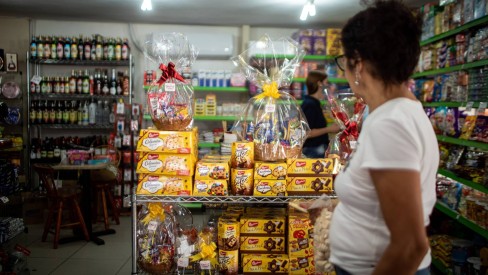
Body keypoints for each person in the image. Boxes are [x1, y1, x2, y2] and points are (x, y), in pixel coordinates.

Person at [328, 1, 438, 274]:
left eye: (345, 62)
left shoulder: (389, 124)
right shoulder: (401, 110)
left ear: (359, 64)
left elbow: (411, 245)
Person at [301, 70, 339, 158]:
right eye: (326, 83)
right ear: (319, 84)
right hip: (313, 151)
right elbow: (307, 133)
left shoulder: (315, 103)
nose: (328, 86)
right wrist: (329, 129)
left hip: (317, 150)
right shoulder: (310, 104)